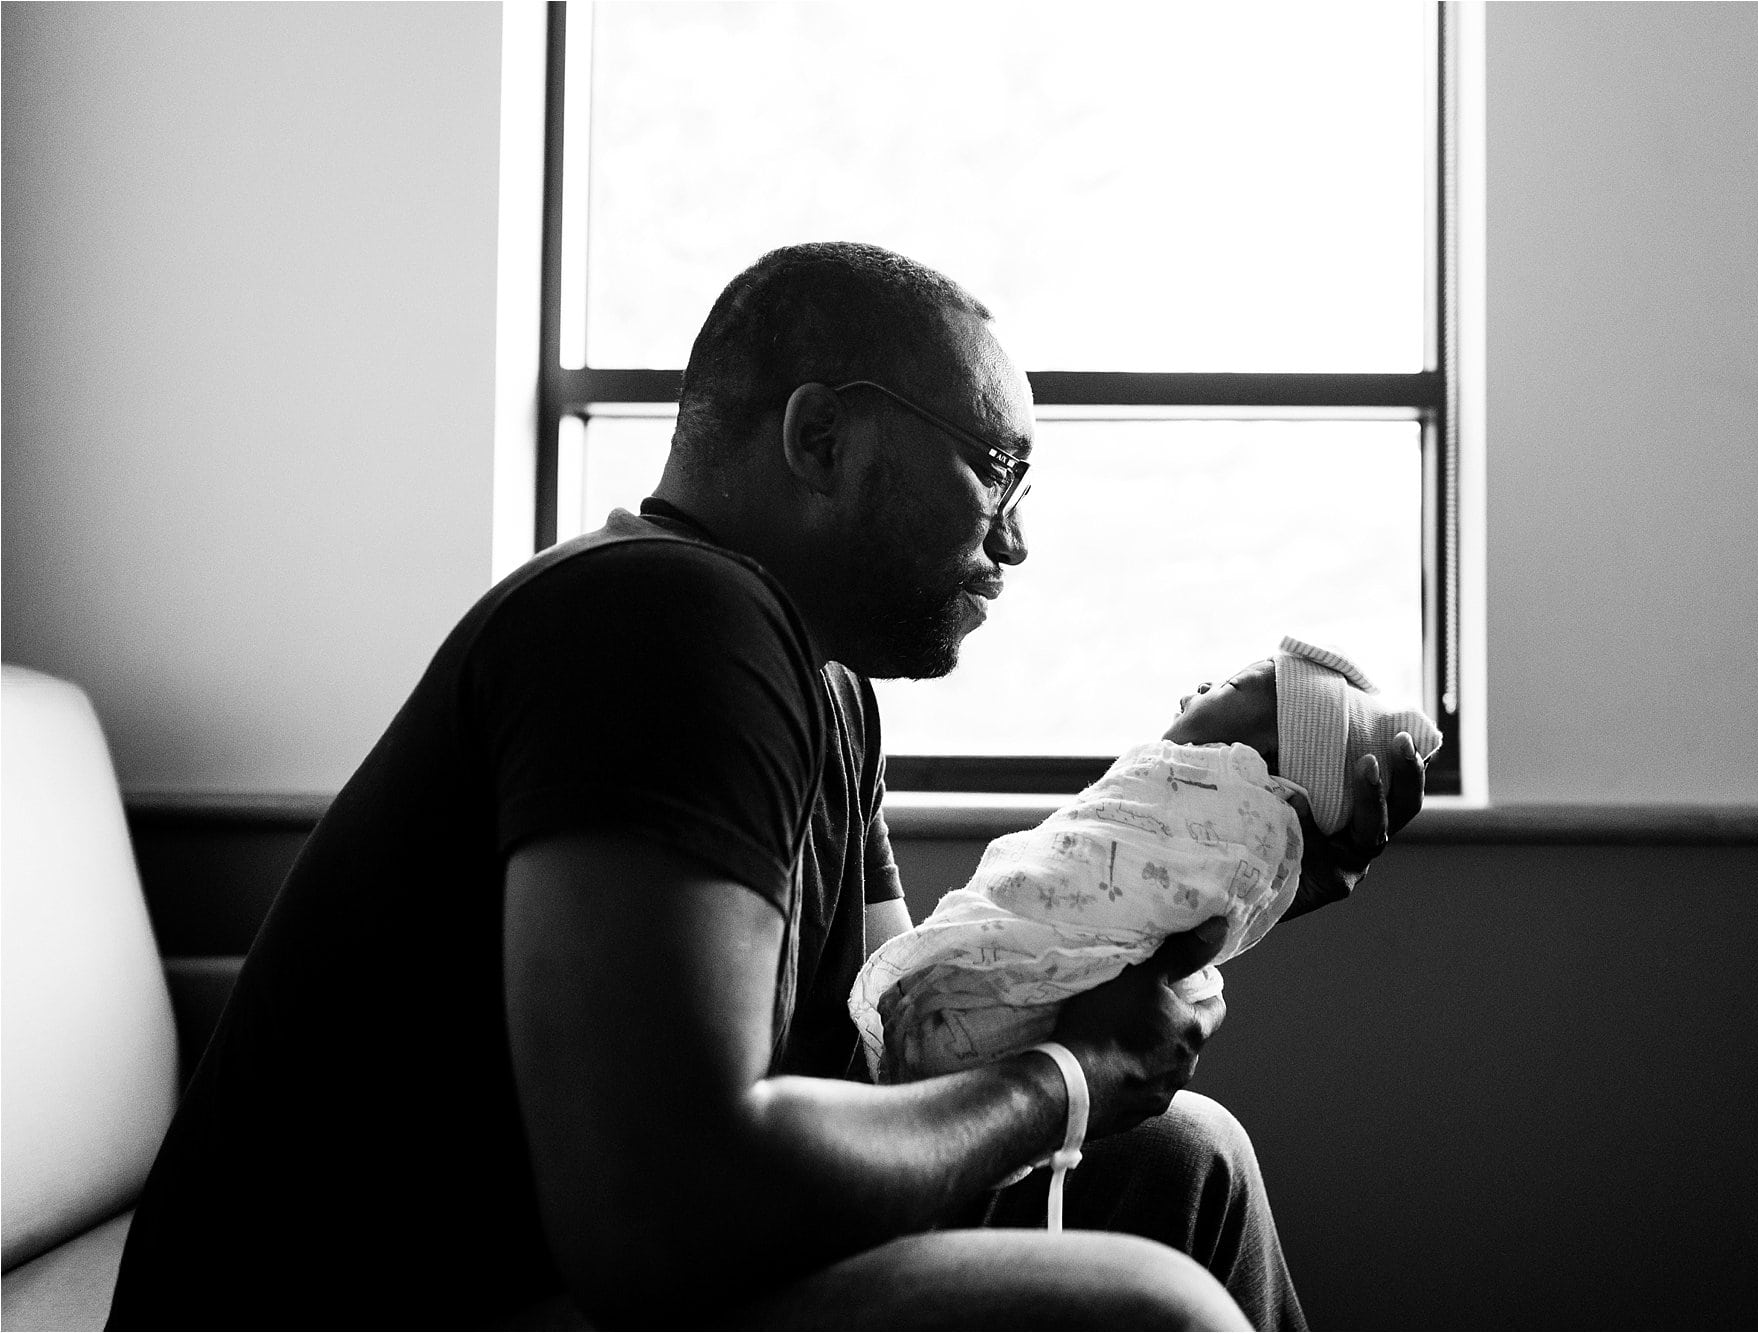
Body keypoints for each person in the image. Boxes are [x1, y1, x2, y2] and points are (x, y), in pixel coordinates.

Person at [108, 242, 1423, 1331]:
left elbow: (897, 1051)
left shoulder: (822, 685)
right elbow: (655, 1215)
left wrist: (1220, 884)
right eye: (997, 467)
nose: (1019, 538)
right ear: (822, 436)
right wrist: (1074, 1075)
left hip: (573, 1271)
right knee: (1147, 1307)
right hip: (404, 1306)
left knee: (1188, 1159)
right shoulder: (664, 623)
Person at [853, 641, 1442, 1087]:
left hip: (975, 1027)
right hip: (925, 1061)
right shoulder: (1165, 794)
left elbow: (1135, 902)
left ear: (1251, 760)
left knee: (1204, 1144)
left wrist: (1265, 891)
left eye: (1227, 687)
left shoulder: (1212, 797)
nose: (1199, 689)